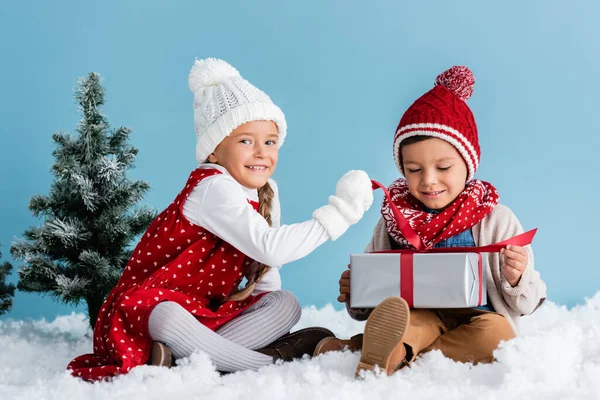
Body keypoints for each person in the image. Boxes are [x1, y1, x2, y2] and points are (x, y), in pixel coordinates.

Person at [67, 58, 374, 380]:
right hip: (148, 311)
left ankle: (178, 361)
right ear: (214, 151)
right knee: (168, 316)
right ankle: (274, 365)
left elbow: (265, 269)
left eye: (269, 141)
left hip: (208, 312)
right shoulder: (214, 185)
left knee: (285, 303)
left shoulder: (266, 191)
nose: (261, 152)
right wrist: (341, 213)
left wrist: (266, 311)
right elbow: (270, 248)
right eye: (246, 141)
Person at [314, 66, 547, 377]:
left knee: (498, 337)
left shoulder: (495, 218)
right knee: (409, 324)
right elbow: (373, 302)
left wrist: (516, 279)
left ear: (468, 165)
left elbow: (526, 304)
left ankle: (376, 353)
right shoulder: (394, 219)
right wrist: (358, 290)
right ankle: (391, 349)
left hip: (478, 319)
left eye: (443, 167)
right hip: (417, 314)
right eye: (414, 169)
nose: (429, 181)